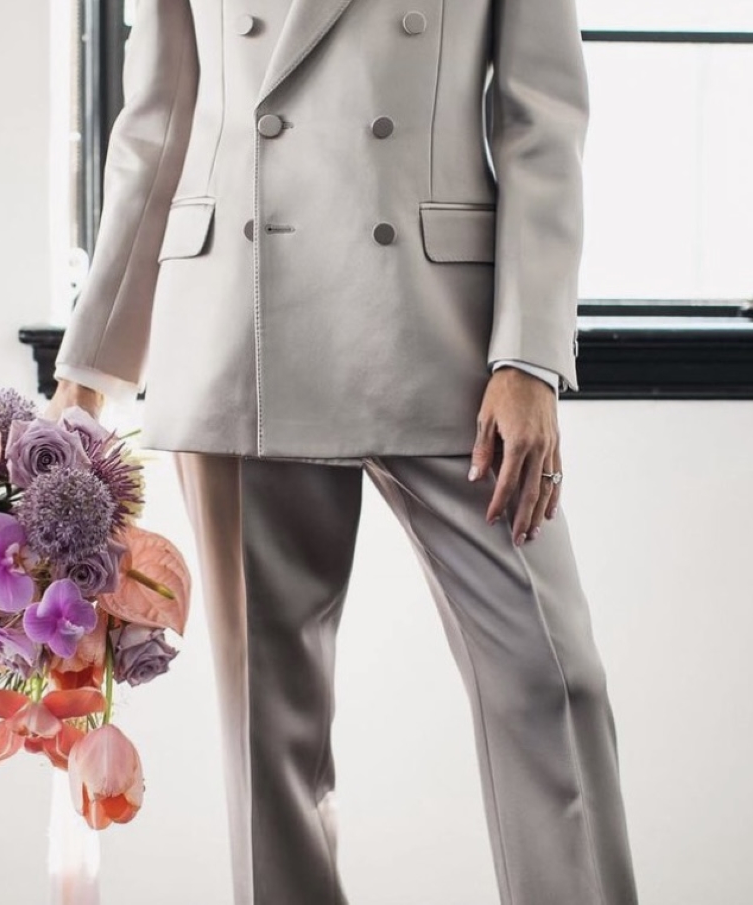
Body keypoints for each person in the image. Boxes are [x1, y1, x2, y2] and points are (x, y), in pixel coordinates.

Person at [48, 1, 639, 902]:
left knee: (553, 680)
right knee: (268, 722)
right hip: (236, 321)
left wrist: (528, 357)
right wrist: (87, 371)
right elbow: (159, 122)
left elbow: (541, 122)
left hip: (443, 331)